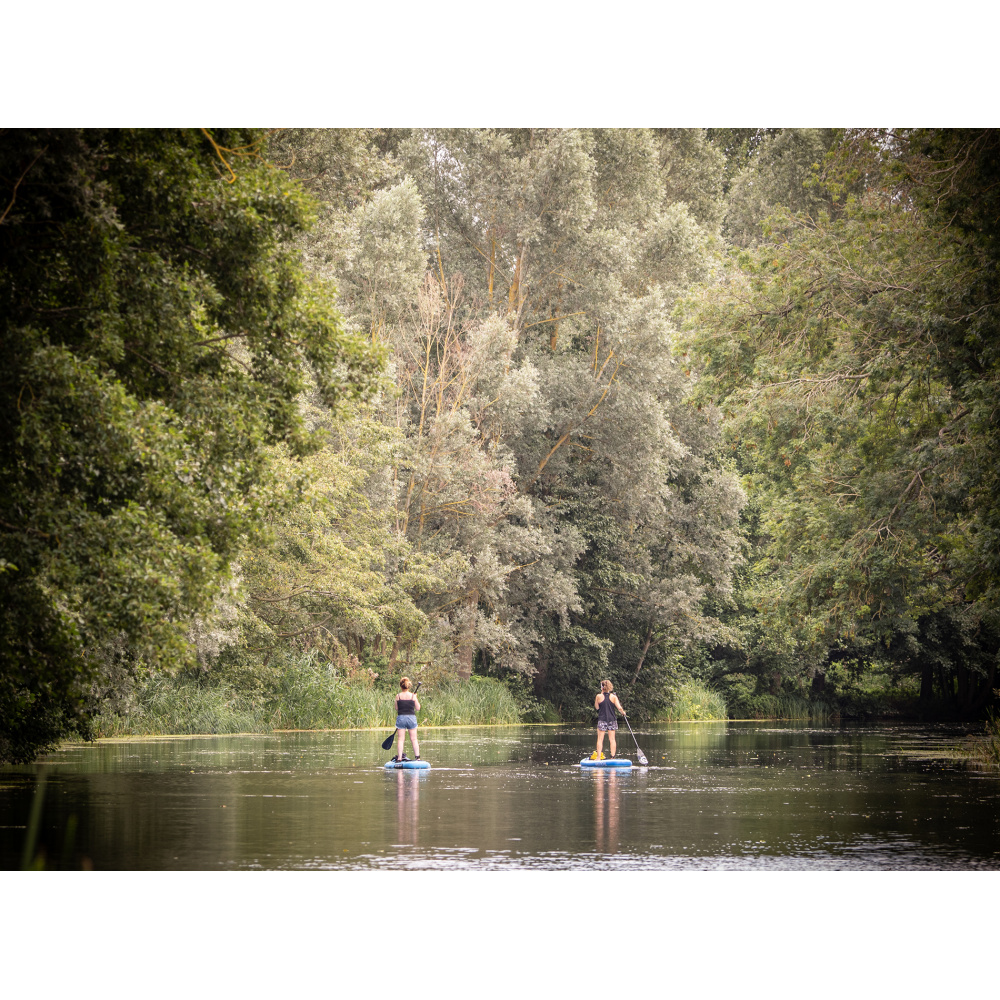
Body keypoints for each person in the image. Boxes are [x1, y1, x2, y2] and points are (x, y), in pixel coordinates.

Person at [591, 679, 625, 760]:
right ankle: (612, 757)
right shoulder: (614, 697)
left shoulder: (598, 696)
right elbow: (619, 708)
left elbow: (597, 707)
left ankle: (598, 757)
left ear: (602, 687)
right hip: (612, 720)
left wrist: (601, 695)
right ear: (609, 687)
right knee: (612, 739)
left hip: (602, 719)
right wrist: (623, 713)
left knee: (600, 739)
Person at [392, 677, 421, 762]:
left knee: (401, 739)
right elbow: (418, 708)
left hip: (401, 718)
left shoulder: (398, 696)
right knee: (414, 739)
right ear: (408, 686)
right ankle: (417, 757)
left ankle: (400, 758)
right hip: (411, 718)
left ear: (401, 686)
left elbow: (396, 708)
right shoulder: (413, 696)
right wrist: (415, 698)